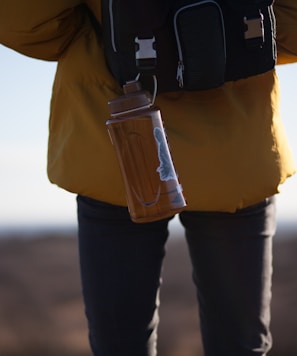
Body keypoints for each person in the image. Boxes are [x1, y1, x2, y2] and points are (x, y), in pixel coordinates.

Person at [1, 1, 297, 355]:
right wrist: (220, 44)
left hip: (119, 154)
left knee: (120, 346)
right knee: (240, 345)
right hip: (237, 153)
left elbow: (25, 24)